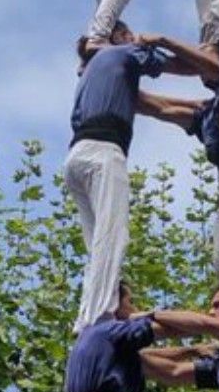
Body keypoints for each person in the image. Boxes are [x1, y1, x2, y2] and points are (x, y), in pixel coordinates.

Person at [129, 29, 219, 313]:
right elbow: (158, 107)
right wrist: (112, 75)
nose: (197, 67)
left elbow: (216, 59)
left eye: (203, 56)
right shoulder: (207, 113)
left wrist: (163, 40)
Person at [59, 35, 181, 330]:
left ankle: (89, 313)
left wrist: (202, 106)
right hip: (104, 152)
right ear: (120, 37)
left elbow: (160, 105)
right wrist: (214, 66)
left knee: (97, 243)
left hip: (76, 157)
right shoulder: (122, 53)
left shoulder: (96, 74)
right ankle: (98, 316)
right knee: (113, 237)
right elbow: (179, 65)